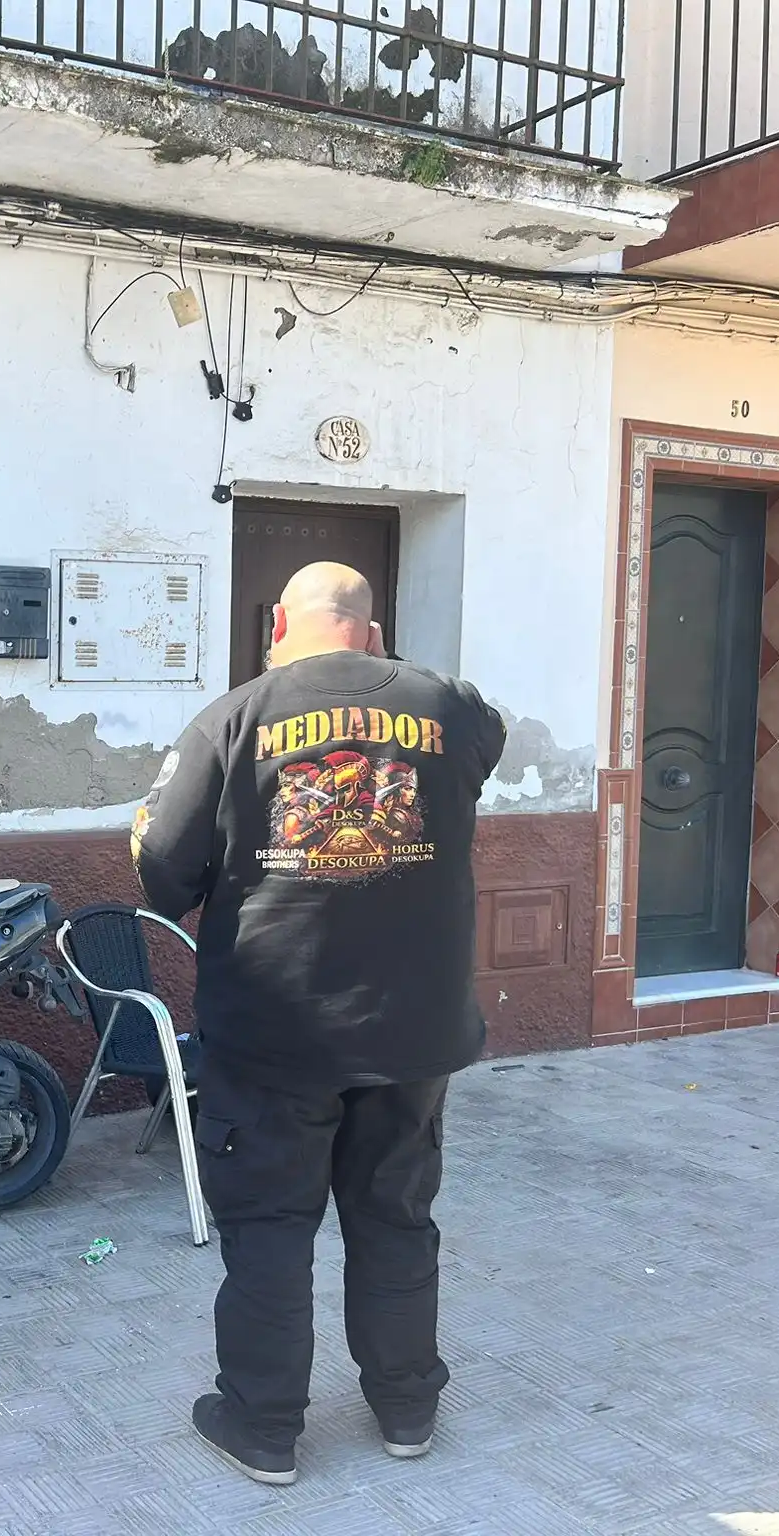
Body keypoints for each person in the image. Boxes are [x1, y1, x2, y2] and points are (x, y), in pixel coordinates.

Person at [130, 561, 507, 1484]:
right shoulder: (450, 706)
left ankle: (262, 1427)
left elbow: (163, 870)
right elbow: (481, 750)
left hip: (273, 1031)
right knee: (395, 1216)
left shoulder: (233, 718)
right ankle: (408, 1410)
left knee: (269, 1225)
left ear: (276, 626)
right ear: (372, 632)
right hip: (411, 1031)